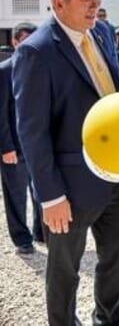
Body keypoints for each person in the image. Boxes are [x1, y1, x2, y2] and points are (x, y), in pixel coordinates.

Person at [12, 0, 119, 325]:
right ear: (58, 3)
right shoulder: (36, 52)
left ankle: (109, 318)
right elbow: (32, 132)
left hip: (117, 176)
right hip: (70, 187)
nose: (95, 5)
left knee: (117, 257)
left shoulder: (103, 35)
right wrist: (50, 196)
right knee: (65, 268)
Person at [0, 22, 44, 256]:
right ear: (15, 42)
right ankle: (22, 239)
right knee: (16, 196)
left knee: (41, 190)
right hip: (13, 148)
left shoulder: (39, 69)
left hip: (37, 146)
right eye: (25, 40)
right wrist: (5, 147)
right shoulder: (3, 71)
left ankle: (41, 232)